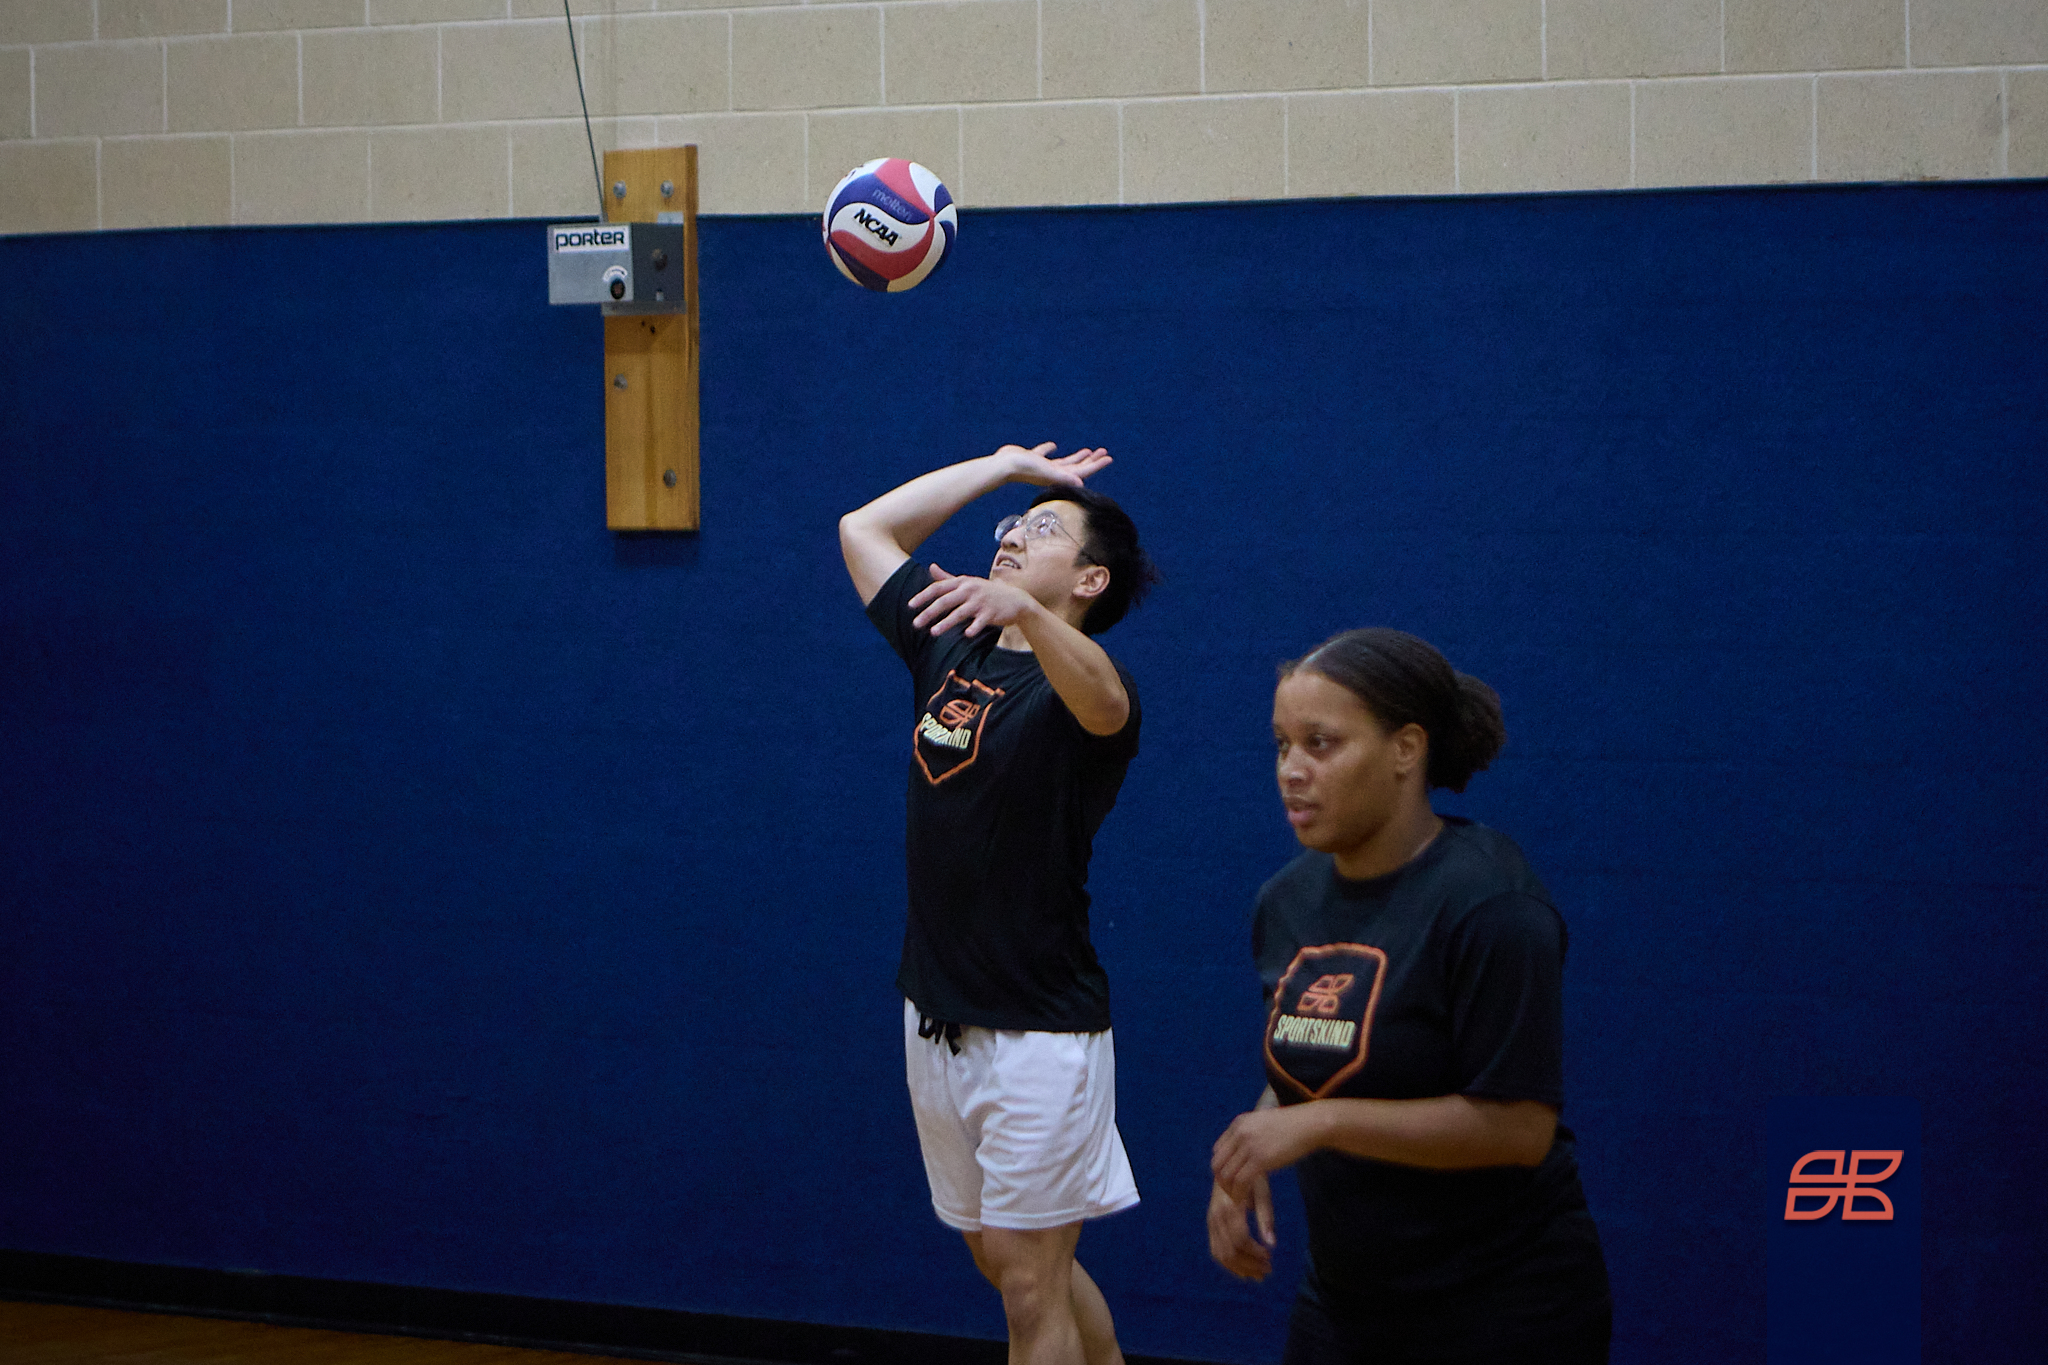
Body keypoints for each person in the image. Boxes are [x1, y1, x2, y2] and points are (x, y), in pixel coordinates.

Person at [1207, 629, 1611, 1364]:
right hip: (1347, 1301)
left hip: (1500, 1306)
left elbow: (1519, 1126)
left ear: (1406, 749)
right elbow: (1323, 1053)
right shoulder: (1285, 902)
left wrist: (1318, 1123)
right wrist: (1255, 1145)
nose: (1291, 770)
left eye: (1321, 744)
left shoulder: (1492, 902)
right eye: (1282, 745)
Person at [839, 441, 1158, 1365]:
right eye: (1014, 524)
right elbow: (864, 528)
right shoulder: (951, 640)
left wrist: (1026, 611)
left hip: (1039, 1030)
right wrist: (1003, 466)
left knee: (1028, 1284)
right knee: (1009, 1265)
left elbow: (1107, 702)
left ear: (1090, 579)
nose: (1013, 534)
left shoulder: (1086, 688)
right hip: (938, 1015)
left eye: (1042, 528)